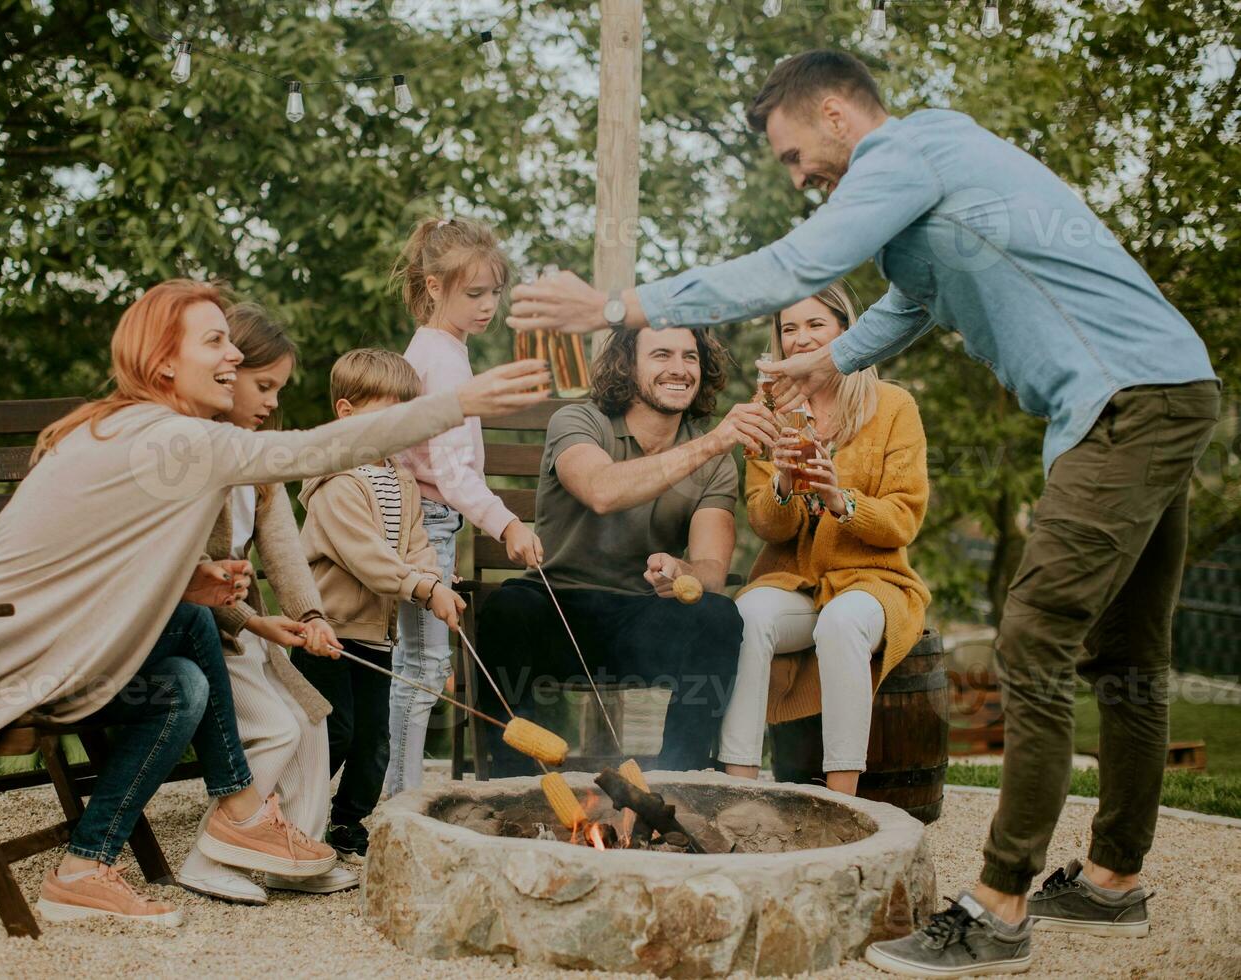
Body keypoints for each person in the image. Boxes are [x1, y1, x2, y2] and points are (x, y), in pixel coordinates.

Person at [506, 48, 1218, 977]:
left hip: (1126, 402)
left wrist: (618, 304)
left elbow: (794, 265)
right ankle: (1114, 877)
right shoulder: (935, 177)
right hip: (1165, 386)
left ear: (838, 114)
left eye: (796, 154)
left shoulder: (901, 158)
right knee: (1128, 655)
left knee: (1035, 636)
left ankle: (998, 906)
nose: (801, 178)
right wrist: (831, 361)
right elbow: (915, 300)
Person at [0, 280, 550, 925]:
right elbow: (315, 450)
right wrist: (456, 403)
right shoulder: (170, 439)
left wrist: (192, 580)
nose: (233, 355)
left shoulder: (135, 426)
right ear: (163, 360)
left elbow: (93, 560)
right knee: (201, 636)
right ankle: (240, 811)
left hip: (48, 642)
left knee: (181, 687)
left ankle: (85, 866)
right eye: (215, 341)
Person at [475, 326, 779, 776]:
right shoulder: (580, 422)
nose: (678, 368)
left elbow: (713, 570)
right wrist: (715, 441)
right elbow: (601, 490)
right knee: (506, 610)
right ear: (626, 365)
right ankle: (511, 789)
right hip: (560, 609)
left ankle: (679, 784)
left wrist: (681, 569)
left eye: (689, 357)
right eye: (661, 355)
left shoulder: (713, 463)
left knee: (717, 617)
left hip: (643, 617)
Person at [174, 301, 359, 905]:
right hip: (207, 629)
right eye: (263, 385)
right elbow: (191, 580)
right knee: (277, 729)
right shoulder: (198, 456)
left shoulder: (263, 462)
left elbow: (283, 554)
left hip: (246, 631)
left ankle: (291, 856)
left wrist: (310, 618)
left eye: (278, 389)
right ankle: (208, 855)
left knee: (312, 720)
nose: (272, 401)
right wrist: (254, 620)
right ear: (224, 376)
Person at [722, 281, 930, 799]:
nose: (800, 338)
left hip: (873, 582)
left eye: (816, 324)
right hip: (798, 580)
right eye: (788, 328)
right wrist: (785, 485)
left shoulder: (892, 405)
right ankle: (737, 789)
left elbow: (903, 520)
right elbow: (766, 525)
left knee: (841, 622)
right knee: (748, 617)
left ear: (846, 330)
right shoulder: (767, 408)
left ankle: (842, 798)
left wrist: (842, 500)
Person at [385, 216, 545, 797]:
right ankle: (398, 799)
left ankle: (392, 792)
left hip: (422, 522)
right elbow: (452, 472)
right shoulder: (446, 360)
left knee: (415, 663)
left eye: (494, 292)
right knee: (423, 668)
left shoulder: (435, 347)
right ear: (434, 287)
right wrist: (507, 523)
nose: (488, 306)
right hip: (426, 520)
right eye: (473, 293)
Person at [295, 349, 468, 861]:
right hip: (326, 631)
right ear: (346, 413)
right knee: (336, 731)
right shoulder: (335, 483)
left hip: (374, 634)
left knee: (376, 741)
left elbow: (416, 544)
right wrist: (423, 588)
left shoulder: (403, 480)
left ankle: (347, 824)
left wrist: (435, 578)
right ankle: (289, 815)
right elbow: (368, 559)